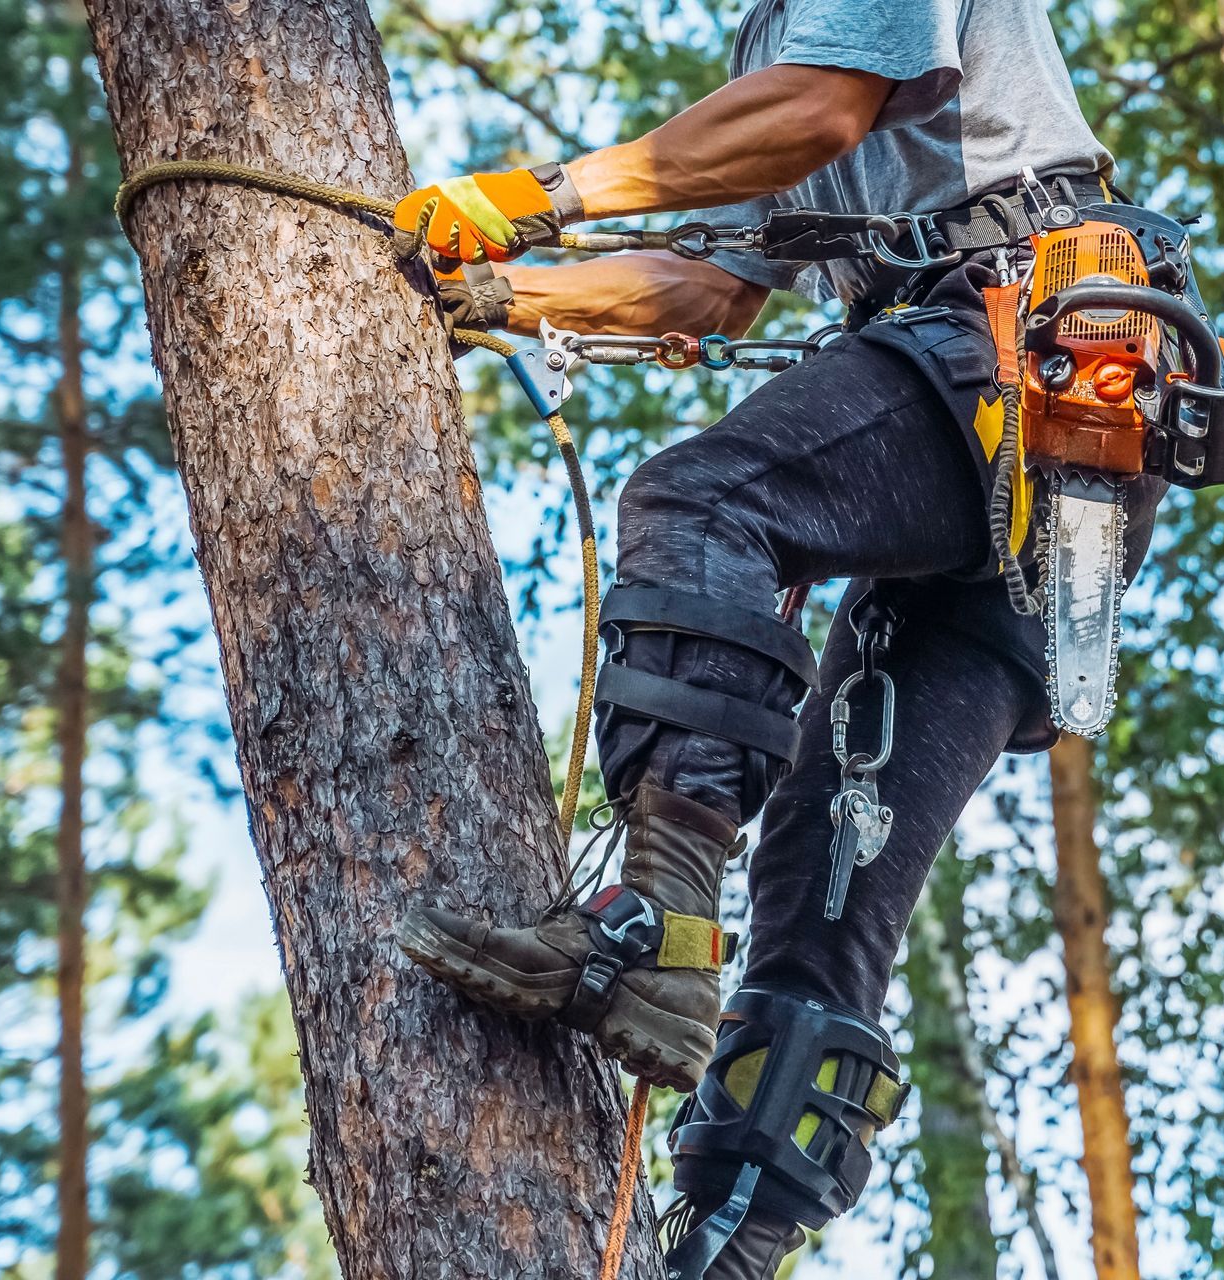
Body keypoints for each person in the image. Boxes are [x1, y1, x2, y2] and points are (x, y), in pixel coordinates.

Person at [394, 3, 1164, 1274]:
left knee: (704, 499)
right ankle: (735, 1241)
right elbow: (712, 289)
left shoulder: (812, 55)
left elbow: (820, 111)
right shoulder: (771, 48)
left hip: (1016, 338)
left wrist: (542, 194)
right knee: (827, 865)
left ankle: (660, 922)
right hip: (1053, 450)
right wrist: (489, 292)